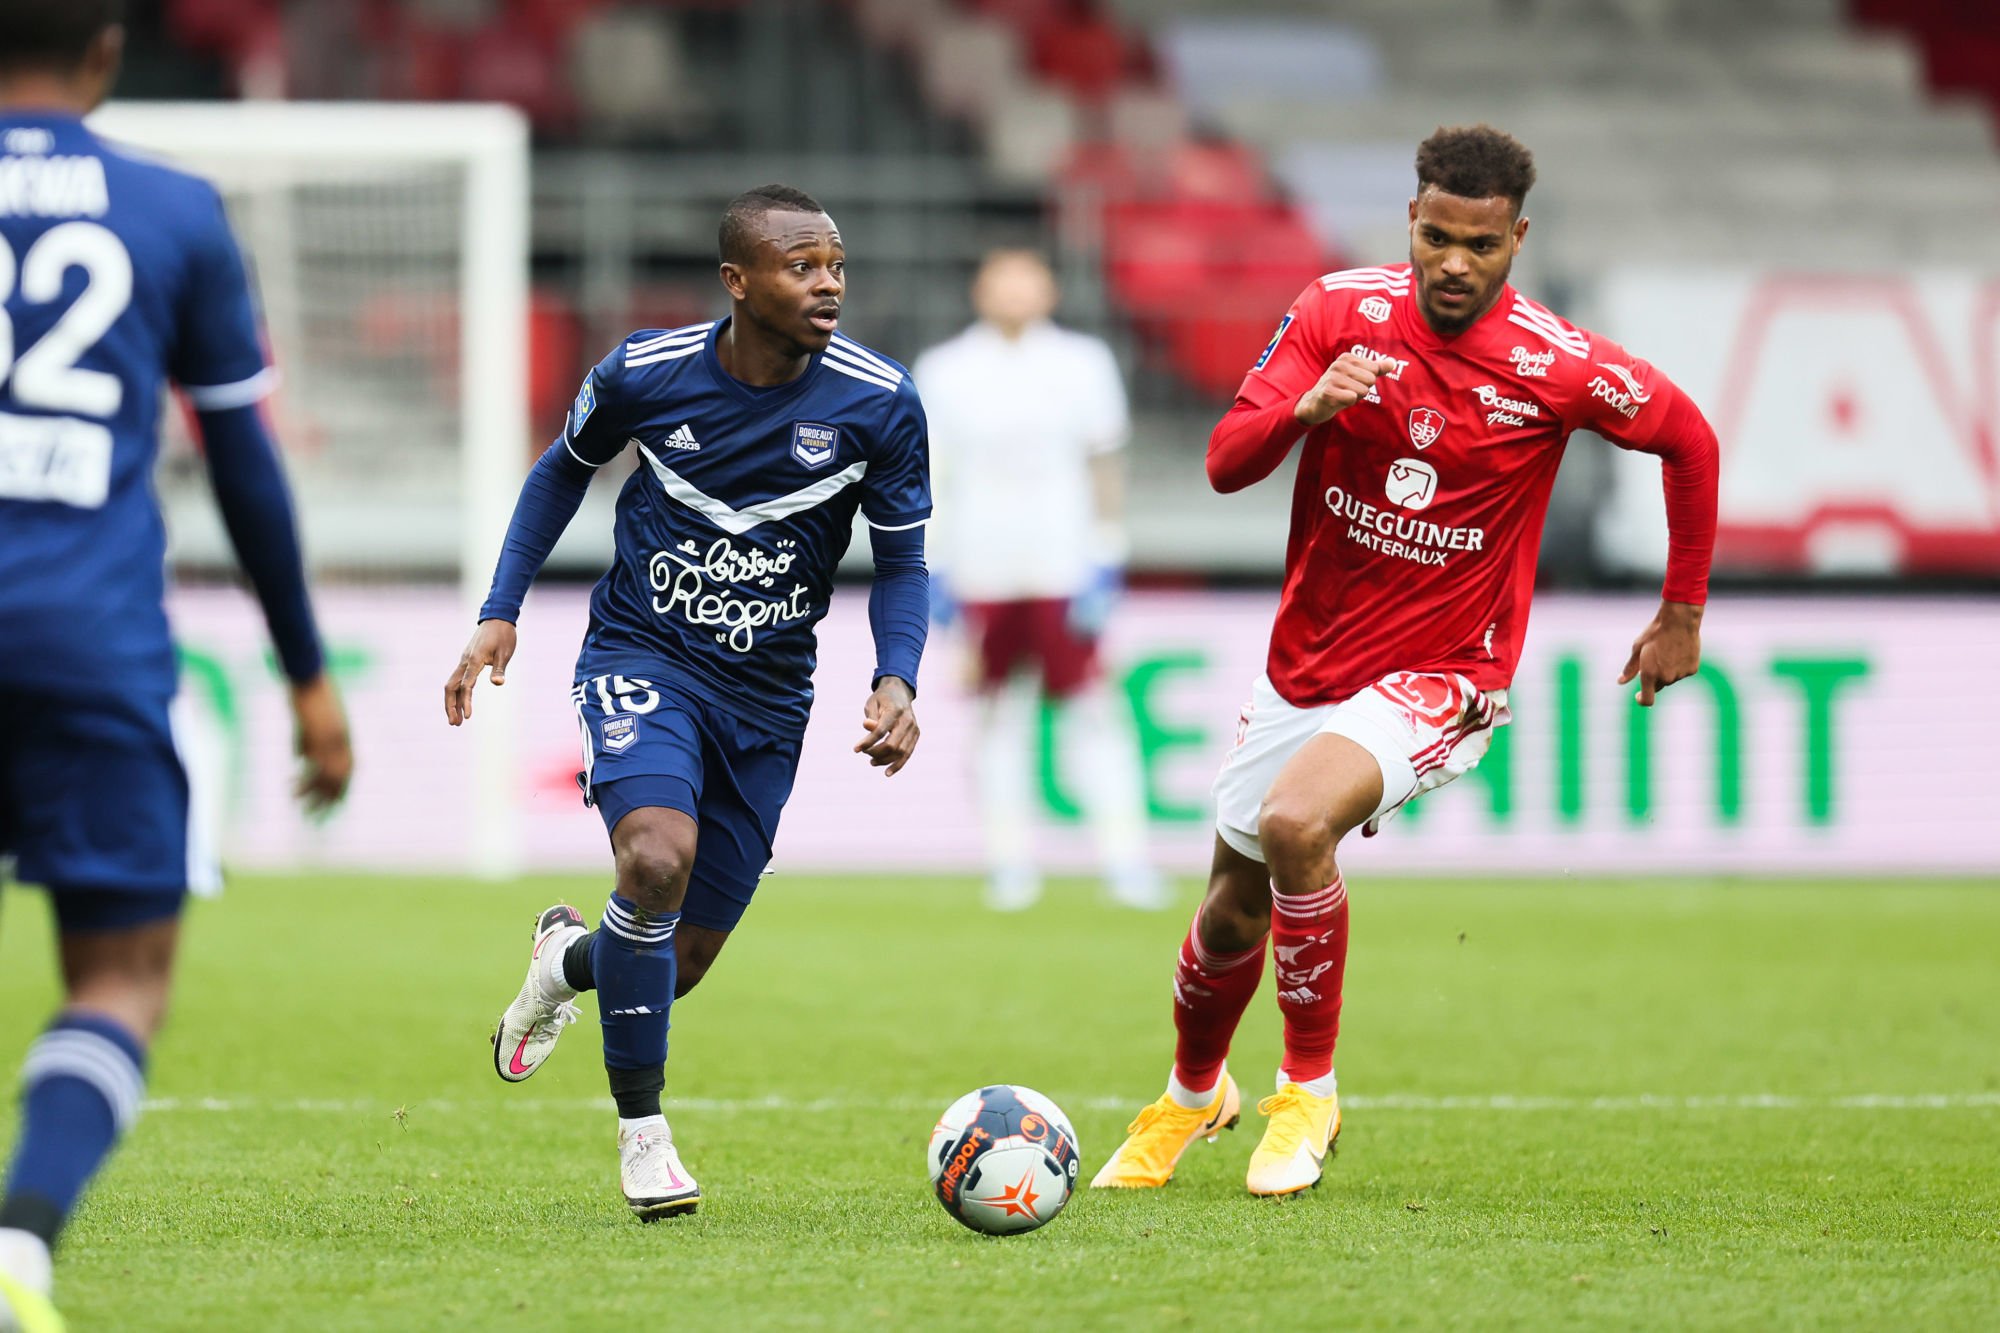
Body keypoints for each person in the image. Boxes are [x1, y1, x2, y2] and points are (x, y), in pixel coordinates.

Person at [1090, 124, 1718, 1197]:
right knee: (1231, 908)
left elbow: (1688, 439)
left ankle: (1308, 1092)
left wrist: (1682, 610)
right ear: (1412, 223)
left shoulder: (1558, 365)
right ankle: (1193, 1095)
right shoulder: (1337, 312)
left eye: (1481, 243)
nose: (1455, 263)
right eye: (1437, 238)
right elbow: (1225, 462)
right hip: (1308, 661)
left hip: (1449, 668)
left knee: (1297, 824)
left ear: (1517, 238)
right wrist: (1306, 409)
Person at [444, 185, 930, 1221]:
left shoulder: (880, 401)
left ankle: (562, 964)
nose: (829, 284)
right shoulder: (644, 372)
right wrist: (500, 609)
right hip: (642, 655)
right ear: (736, 281)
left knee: (679, 960)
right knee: (654, 858)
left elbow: (902, 559)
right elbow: (558, 473)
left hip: (769, 694)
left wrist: (896, 673)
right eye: (802, 266)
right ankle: (644, 1138)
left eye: (836, 265)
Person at [0, 2, 354, 1326]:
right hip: (85, 638)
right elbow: (243, 465)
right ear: (106, 48)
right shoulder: (172, 209)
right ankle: (17, 1252)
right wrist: (305, 672)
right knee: (119, 979)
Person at [914, 249, 1164, 912]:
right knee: (997, 716)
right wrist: (932, 567)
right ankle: (1009, 862)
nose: (1015, 293)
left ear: (1050, 290)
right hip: (981, 566)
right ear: (980, 290)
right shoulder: (945, 369)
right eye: (1002, 281)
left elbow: (1104, 461)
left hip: (1063, 561)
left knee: (1095, 712)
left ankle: (1125, 860)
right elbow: (931, 472)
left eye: (1027, 281)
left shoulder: (1083, 362)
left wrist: (1107, 553)